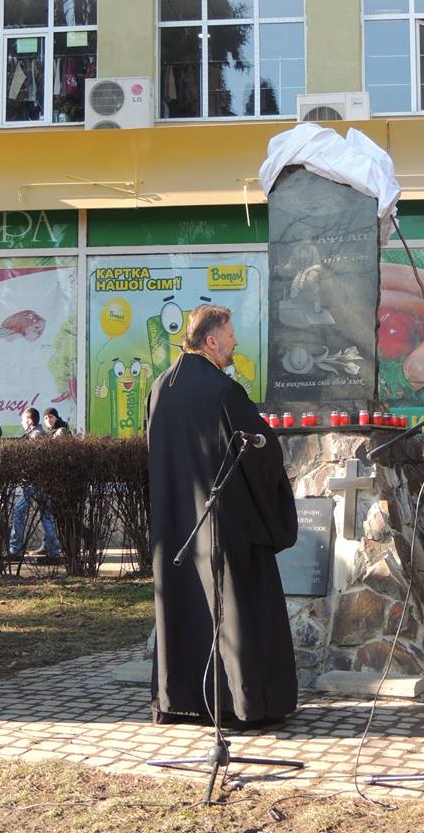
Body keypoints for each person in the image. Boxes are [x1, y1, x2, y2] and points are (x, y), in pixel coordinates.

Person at [147, 304, 298, 727]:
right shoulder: (223, 391)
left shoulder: (160, 387)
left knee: (185, 606)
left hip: (177, 527)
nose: (235, 342)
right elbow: (260, 457)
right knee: (234, 607)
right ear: (211, 341)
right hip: (224, 527)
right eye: (230, 335)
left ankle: (181, 700)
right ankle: (240, 702)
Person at [8, 407, 61, 562]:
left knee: (19, 512)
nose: (21, 422)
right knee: (46, 515)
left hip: (33, 482)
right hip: (39, 482)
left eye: (23, 419)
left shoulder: (36, 435)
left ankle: (15, 550)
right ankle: (53, 552)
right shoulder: (36, 434)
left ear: (30, 420)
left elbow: (34, 461)